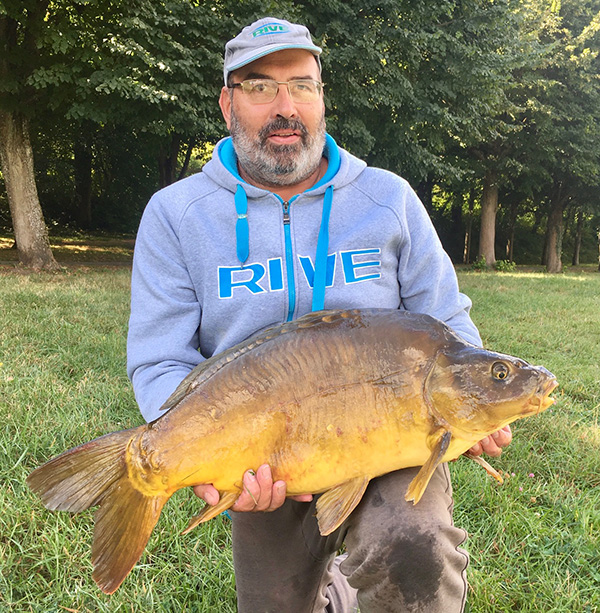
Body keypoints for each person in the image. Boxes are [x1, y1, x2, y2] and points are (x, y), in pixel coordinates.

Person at [127, 17, 512, 613]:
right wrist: (189, 449)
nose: (286, 107)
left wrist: (483, 396)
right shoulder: (177, 215)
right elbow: (160, 359)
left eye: (302, 85)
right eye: (261, 87)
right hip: (265, 450)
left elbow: (447, 326)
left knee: (414, 550)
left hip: (390, 438)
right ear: (228, 102)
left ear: (322, 98)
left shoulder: (388, 199)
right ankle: (332, 588)